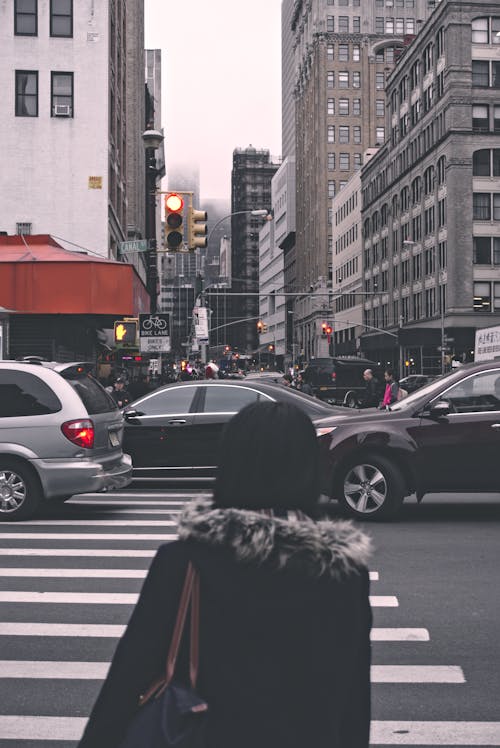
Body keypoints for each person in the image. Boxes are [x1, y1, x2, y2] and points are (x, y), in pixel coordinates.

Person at [78, 401, 372, 748]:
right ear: (309, 466)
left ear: (232, 463)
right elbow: (353, 699)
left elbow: (127, 679)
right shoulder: (344, 571)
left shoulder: (183, 562)